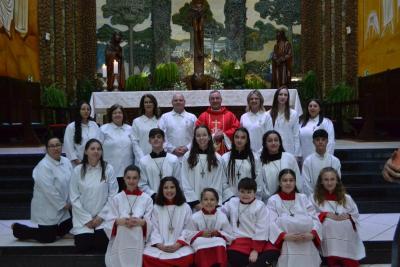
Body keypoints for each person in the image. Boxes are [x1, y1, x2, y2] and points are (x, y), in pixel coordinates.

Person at [12, 137, 73, 243]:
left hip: (65, 205)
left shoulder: (66, 161)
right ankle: (17, 228)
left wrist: (72, 201)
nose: (56, 148)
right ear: (46, 149)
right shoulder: (43, 166)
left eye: (58, 145)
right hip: (47, 207)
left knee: (76, 216)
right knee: (48, 238)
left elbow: (73, 181)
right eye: (52, 146)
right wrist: (64, 205)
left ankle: (59, 231)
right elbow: (49, 191)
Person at [69, 138, 118, 253]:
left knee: (102, 246)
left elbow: (113, 195)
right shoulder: (78, 170)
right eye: (92, 149)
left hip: (103, 218)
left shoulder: (108, 169)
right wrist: (86, 219)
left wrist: (101, 217)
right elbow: (74, 197)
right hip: (83, 219)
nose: (96, 151)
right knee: (83, 247)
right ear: (86, 151)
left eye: (99, 149)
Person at [311, 167, 365, 267]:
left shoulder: (346, 198)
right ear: (321, 182)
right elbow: (310, 216)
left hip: (346, 238)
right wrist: (325, 215)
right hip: (328, 237)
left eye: (332, 179)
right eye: (326, 179)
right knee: (328, 222)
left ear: (337, 181)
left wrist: (347, 216)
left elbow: (355, 215)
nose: (329, 182)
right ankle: (333, 259)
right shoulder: (314, 198)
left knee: (346, 223)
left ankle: (346, 258)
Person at [267, 169, 322, 267]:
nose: (288, 183)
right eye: (285, 180)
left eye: (291, 180)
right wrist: (283, 236)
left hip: (306, 238)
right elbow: (271, 222)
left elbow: (314, 219)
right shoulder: (273, 200)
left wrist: (312, 234)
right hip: (286, 240)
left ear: (295, 182)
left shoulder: (303, 198)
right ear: (280, 183)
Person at [222, 178, 280, 267]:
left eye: (249, 192)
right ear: (238, 191)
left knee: (273, 252)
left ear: (255, 192)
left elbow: (262, 228)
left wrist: (255, 250)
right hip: (238, 241)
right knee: (232, 256)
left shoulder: (260, 206)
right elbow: (221, 212)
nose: (245, 195)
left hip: (256, 240)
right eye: (242, 191)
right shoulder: (233, 202)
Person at [104, 165, 153, 267]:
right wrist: (118, 222)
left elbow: (151, 221)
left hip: (139, 237)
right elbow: (109, 221)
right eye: (128, 178)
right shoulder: (117, 198)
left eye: (135, 178)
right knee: (122, 228)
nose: (131, 181)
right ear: (124, 179)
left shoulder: (147, 199)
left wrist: (142, 222)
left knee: (137, 228)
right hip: (121, 237)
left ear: (139, 179)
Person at [143, 177, 195, 267]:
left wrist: (178, 244)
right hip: (161, 246)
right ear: (161, 190)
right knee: (146, 256)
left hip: (179, 245)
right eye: (166, 188)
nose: (169, 190)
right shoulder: (156, 208)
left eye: (172, 187)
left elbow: (189, 229)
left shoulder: (185, 207)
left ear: (177, 189)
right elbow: (153, 229)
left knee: (189, 256)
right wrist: (160, 245)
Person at [181, 125, 226, 210]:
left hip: (211, 206)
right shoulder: (187, 157)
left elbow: (218, 183)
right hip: (193, 206)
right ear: (195, 138)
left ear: (209, 137)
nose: (201, 138)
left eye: (204, 135)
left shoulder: (217, 158)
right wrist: (195, 203)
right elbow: (184, 181)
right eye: (198, 135)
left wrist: (210, 202)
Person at [190, 188, 233, 267]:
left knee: (220, 241)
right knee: (199, 242)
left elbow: (229, 234)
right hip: (200, 241)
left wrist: (219, 233)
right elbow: (188, 234)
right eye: (205, 199)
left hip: (217, 241)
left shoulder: (222, 216)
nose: (209, 202)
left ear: (217, 202)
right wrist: (200, 233)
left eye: (212, 199)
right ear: (201, 202)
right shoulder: (194, 217)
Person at [257, 130, 301, 202]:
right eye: (270, 141)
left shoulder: (289, 158)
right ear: (265, 144)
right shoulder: (260, 162)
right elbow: (261, 184)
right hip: (270, 200)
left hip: (291, 198)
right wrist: (272, 197)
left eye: (276, 140)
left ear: (280, 142)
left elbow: (297, 178)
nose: (273, 143)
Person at [138, 128, 181, 200]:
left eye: (159, 137)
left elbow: (178, 181)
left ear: (164, 140)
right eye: (153, 137)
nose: (156, 139)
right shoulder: (143, 161)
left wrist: (170, 193)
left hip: (171, 199)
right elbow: (142, 184)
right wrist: (153, 195)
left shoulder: (173, 159)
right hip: (151, 200)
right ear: (149, 141)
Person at [100, 104, 133, 191]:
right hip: (110, 171)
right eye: (114, 113)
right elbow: (97, 148)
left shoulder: (130, 129)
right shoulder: (103, 129)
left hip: (127, 171)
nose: (117, 115)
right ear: (111, 115)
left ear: (123, 115)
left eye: (119, 112)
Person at [222, 127, 260, 202]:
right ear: (233, 139)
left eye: (243, 138)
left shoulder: (255, 158)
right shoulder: (225, 158)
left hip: (250, 199)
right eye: (237, 137)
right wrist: (231, 198)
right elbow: (223, 180)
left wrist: (251, 197)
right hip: (230, 201)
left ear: (247, 140)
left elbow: (258, 180)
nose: (239, 140)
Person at [196, 90, 240, 155]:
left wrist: (224, 134)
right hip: (207, 150)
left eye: (217, 98)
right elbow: (197, 132)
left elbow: (237, 128)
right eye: (212, 99)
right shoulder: (203, 116)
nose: (215, 100)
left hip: (226, 151)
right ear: (209, 101)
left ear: (221, 100)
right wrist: (212, 136)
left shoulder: (230, 115)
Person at [302, 129, 341, 196]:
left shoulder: (335, 161)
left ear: (327, 141)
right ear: (313, 142)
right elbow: (306, 184)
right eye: (317, 140)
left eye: (323, 139)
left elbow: (337, 181)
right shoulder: (308, 161)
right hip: (314, 200)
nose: (320, 142)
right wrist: (314, 199)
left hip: (331, 197)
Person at [158, 93, 197, 158]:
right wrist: (172, 149)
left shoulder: (192, 117)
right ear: (172, 102)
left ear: (184, 102)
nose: (178, 102)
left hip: (189, 154)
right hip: (170, 155)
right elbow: (160, 135)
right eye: (175, 100)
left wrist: (187, 147)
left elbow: (197, 135)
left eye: (180, 100)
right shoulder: (165, 117)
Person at [63, 101, 101, 166]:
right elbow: (69, 147)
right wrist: (78, 162)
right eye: (83, 109)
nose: (86, 111)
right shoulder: (71, 127)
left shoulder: (94, 125)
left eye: (88, 109)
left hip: (94, 162)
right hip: (78, 163)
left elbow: (99, 142)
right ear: (78, 111)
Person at [267, 86, 300, 157]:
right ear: (276, 96)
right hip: (273, 149)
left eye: (285, 95)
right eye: (280, 94)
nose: (283, 97)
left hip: (289, 149)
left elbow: (296, 135)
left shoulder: (293, 114)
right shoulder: (268, 114)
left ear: (288, 98)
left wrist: (296, 154)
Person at [131, 94, 160, 161]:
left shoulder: (160, 121)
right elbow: (134, 142)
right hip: (141, 158)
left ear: (154, 104)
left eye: (150, 102)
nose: (148, 104)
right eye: (146, 102)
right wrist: (142, 158)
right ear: (143, 105)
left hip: (158, 157)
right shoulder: (136, 121)